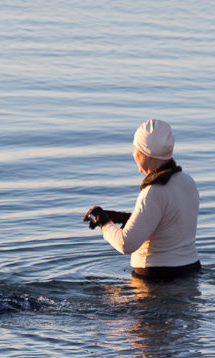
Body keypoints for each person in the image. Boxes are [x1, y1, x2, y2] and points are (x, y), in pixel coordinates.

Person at [83, 119, 201, 280]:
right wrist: (123, 218)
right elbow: (167, 223)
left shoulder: (154, 191)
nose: (133, 155)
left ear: (146, 153)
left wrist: (103, 222)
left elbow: (126, 244)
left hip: (157, 279)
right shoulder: (186, 181)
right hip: (191, 270)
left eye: (135, 149)